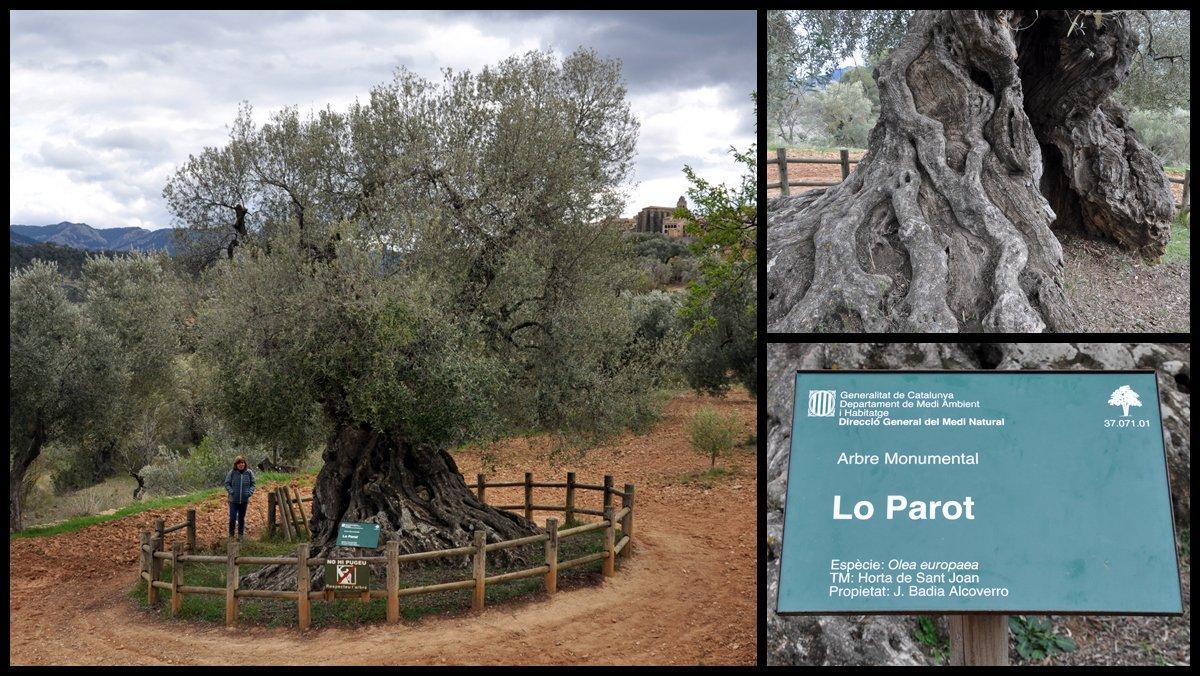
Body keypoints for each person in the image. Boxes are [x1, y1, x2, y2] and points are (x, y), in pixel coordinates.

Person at [224, 455, 256, 540]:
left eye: (242, 463)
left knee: (241, 518)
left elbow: (253, 484)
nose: (241, 465)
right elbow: (226, 483)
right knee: (233, 518)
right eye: (239, 463)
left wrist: (249, 492)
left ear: (245, 464)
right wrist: (231, 492)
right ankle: (231, 536)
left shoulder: (249, 472)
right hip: (233, 501)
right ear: (236, 464)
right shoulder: (232, 472)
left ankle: (240, 536)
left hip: (244, 500)